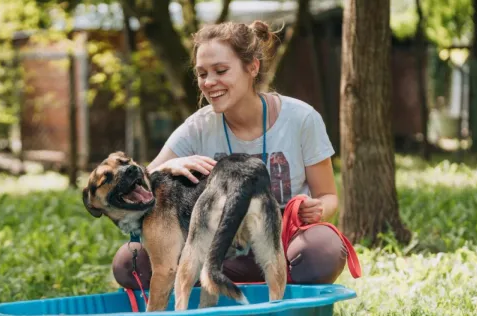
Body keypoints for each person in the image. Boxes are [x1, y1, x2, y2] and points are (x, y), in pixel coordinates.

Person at [112, 20, 347, 291]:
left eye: (221, 70)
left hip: (282, 244)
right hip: (219, 250)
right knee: (130, 263)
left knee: (323, 250)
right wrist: (169, 167)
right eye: (202, 74)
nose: (209, 82)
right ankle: (215, 296)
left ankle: (275, 301)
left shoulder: (301, 119)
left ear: (252, 67)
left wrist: (317, 210)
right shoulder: (197, 127)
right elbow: (141, 185)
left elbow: (328, 196)